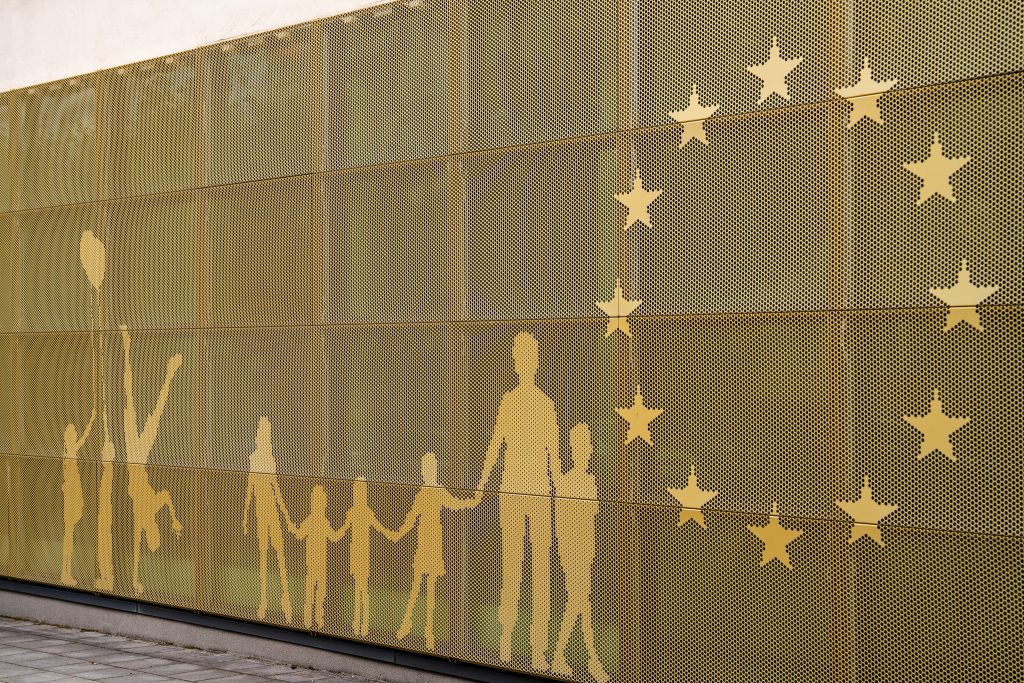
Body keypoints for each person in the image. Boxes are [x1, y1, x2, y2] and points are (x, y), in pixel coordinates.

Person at [473, 331, 560, 670]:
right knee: (517, 567)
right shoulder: (514, 402)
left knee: (534, 570)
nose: (523, 361)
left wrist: (561, 498)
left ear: (533, 362)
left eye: (527, 356)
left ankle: (533, 648)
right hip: (515, 493)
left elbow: (553, 460)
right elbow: (495, 445)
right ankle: (510, 640)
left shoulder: (543, 405)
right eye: (520, 356)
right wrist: (482, 485)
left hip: (535, 494)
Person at [388, 452, 478, 649]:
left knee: (429, 589)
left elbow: (454, 504)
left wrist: (470, 502)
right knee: (417, 586)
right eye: (425, 469)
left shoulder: (437, 491)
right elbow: (412, 518)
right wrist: (398, 533)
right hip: (424, 544)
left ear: (433, 470)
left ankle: (427, 631)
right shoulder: (424, 493)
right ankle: (408, 624)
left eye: (428, 468)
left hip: (434, 544)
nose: (426, 472)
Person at [121, 326, 183, 595]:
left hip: (133, 456)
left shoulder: (141, 518)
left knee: (129, 398)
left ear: (151, 534)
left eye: (153, 536)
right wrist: (174, 519)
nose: (153, 533)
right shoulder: (152, 510)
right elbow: (167, 495)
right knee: (155, 411)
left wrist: (136, 579)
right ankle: (169, 373)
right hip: (141, 456)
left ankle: (126, 347)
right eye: (157, 535)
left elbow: (135, 554)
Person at [551, 423, 609, 682]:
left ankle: (561, 657)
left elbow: (592, 517)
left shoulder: (590, 481)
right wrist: (568, 552)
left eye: (588, 447)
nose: (587, 452)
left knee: (579, 603)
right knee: (580, 601)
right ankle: (591, 660)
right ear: (574, 450)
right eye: (582, 447)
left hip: (585, 550)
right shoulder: (567, 483)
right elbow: (562, 522)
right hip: (572, 551)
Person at [243, 417, 294, 623]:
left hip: (269, 511)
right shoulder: (255, 458)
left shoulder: (268, 458)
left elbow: (276, 490)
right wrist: (245, 516)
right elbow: (250, 489)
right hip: (263, 512)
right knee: (265, 554)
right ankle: (264, 600)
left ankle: (284, 597)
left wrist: (286, 517)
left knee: (278, 552)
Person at [289, 484, 344, 630]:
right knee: (315, 591)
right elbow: (334, 537)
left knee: (317, 592)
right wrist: (344, 529)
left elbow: (300, 535)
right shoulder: (315, 520)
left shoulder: (317, 520)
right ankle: (313, 621)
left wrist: (293, 528)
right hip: (314, 563)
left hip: (318, 563)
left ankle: (315, 621)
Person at [339, 477, 389, 637]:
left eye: (360, 491)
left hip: (362, 554)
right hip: (356, 554)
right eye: (357, 491)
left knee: (363, 589)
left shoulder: (365, 511)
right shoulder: (354, 511)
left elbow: (378, 527)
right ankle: (358, 623)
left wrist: (391, 535)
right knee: (358, 588)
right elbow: (343, 530)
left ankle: (364, 623)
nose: (358, 494)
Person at [61, 408, 96, 586]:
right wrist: (91, 420)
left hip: (72, 496)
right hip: (71, 498)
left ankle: (65, 572)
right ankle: (65, 572)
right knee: (69, 536)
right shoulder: (70, 453)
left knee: (69, 535)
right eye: (73, 432)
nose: (75, 434)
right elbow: (84, 438)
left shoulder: (69, 453)